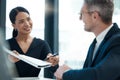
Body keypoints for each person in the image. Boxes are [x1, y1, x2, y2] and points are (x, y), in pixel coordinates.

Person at [54, 0, 120, 80]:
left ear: (94, 16)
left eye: (82, 13)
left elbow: (100, 75)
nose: (80, 18)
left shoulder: (117, 41)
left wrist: (66, 74)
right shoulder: (95, 44)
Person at [7, 6, 59, 77]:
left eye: (28, 19)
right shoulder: (6, 45)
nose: (27, 24)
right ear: (14, 25)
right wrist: (8, 61)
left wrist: (53, 61)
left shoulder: (41, 44)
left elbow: (55, 70)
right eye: (21, 21)